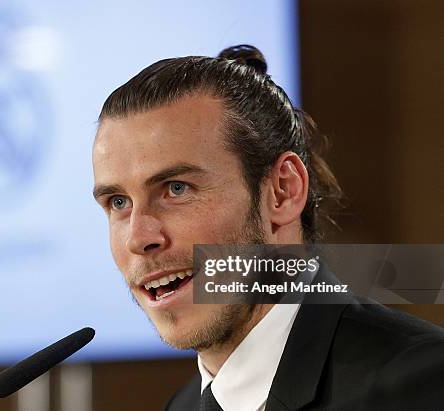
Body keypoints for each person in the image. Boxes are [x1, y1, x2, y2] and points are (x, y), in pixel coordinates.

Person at [91, 45, 444, 410]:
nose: (138, 238)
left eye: (176, 189)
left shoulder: (421, 385)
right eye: (118, 202)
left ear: (282, 192)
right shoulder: (181, 406)